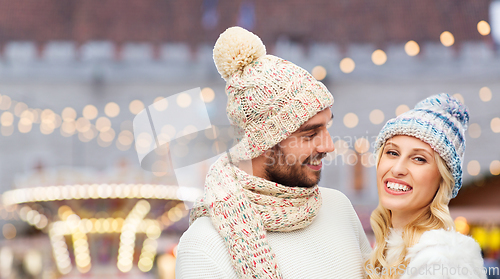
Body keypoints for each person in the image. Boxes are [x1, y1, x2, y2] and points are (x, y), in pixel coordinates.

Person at [175, 26, 371, 278]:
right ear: (261, 144)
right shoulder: (204, 246)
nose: (328, 146)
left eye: (327, 127)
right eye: (310, 134)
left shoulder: (339, 208)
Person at [365, 93, 486, 279]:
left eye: (419, 159)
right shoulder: (381, 252)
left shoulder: (442, 263)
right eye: (392, 152)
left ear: (442, 179)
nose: (398, 169)